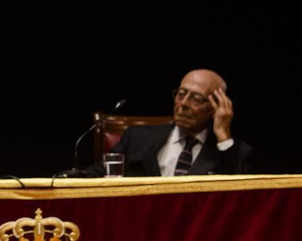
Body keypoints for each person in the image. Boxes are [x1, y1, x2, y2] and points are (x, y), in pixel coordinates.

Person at [102, 68, 251, 176]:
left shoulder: (232, 152)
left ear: (215, 107)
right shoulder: (137, 138)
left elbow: (239, 196)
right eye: (181, 94)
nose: (183, 104)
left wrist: (223, 134)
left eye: (196, 99)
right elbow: (98, 174)